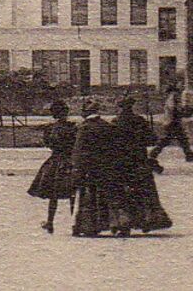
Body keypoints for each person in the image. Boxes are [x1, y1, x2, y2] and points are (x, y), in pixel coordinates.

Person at [108, 95, 172, 237]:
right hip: (139, 161)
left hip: (121, 163)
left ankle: (124, 225)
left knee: (123, 193)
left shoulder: (115, 123)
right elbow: (151, 140)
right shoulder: (140, 121)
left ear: (120, 108)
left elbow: (110, 144)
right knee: (143, 192)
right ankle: (147, 221)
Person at [27, 98, 77, 233]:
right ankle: (74, 224)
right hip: (70, 161)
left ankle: (50, 222)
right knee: (73, 194)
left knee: (53, 194)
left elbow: (48, 144)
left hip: (55, 161)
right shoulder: (73, 127)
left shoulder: (50, 129)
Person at [71, 98, 114, 237]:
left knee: (87, 196)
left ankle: (87, 225)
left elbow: (78, 150)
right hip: (105, 166)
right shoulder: (107, 126)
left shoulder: (84, 127)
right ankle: (105, 223)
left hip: (88, 167)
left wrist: (76, 168)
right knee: (103, 195)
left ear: (86, 112)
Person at [150, 74, 193, 170]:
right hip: (172, 121)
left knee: (180, 139)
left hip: (172, 121)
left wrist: (183, 111)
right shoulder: (174, 95)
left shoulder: (174, 95)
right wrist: (183, 113)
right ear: (176, 85)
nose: (183, 85)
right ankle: (154, 153)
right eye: (181, 83)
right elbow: (173, 108)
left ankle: (189, 155)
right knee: (171, 139)